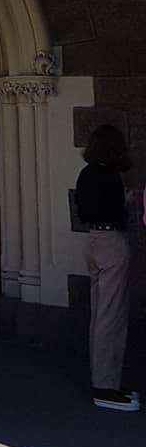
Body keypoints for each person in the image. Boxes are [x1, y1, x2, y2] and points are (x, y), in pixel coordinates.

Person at [75, 124, 137, 412]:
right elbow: (116, 212)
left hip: (93, 240)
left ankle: (105, 380)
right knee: (111, 317)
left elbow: (84, 211)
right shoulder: (110, 175)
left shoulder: (86, 173)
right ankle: (106, 386)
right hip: (112, 240)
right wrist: (125, 201)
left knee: (100, 312)